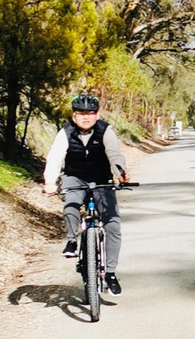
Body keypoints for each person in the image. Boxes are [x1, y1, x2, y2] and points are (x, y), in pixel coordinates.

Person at [44, 93, 131, 296]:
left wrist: (120, 172)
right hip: (75, 177)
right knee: (71, 203)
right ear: (74, 115)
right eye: (81, 113)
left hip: (101, 179)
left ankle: (110, 273)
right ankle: (72, 240)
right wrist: (50, 181)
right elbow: (55, 156)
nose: (86, 117)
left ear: (97, 114)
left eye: (90, 113)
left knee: (112, 225)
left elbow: (114, 153)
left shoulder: (105, 130)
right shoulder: (65, 132)